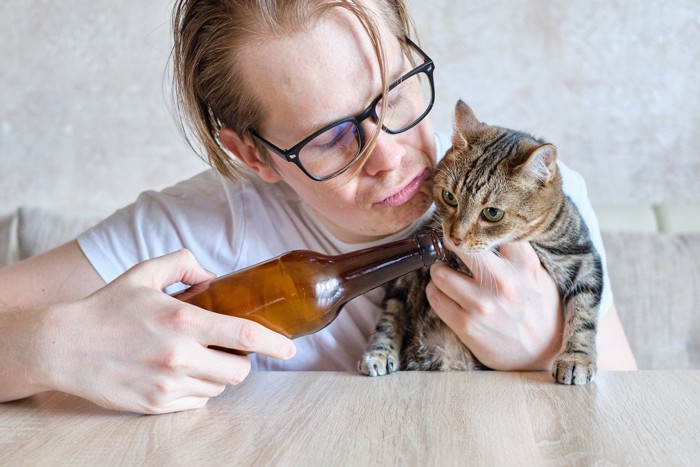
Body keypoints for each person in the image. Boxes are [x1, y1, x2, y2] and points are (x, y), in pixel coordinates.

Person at [0, 0, 637, 414]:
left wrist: (542, 347)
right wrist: (50, 346)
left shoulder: (532, 198)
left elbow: (632, 419)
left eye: (396, 95)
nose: (390, 156)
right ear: (253, 156)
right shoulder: (193, 230)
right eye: (331, 136)